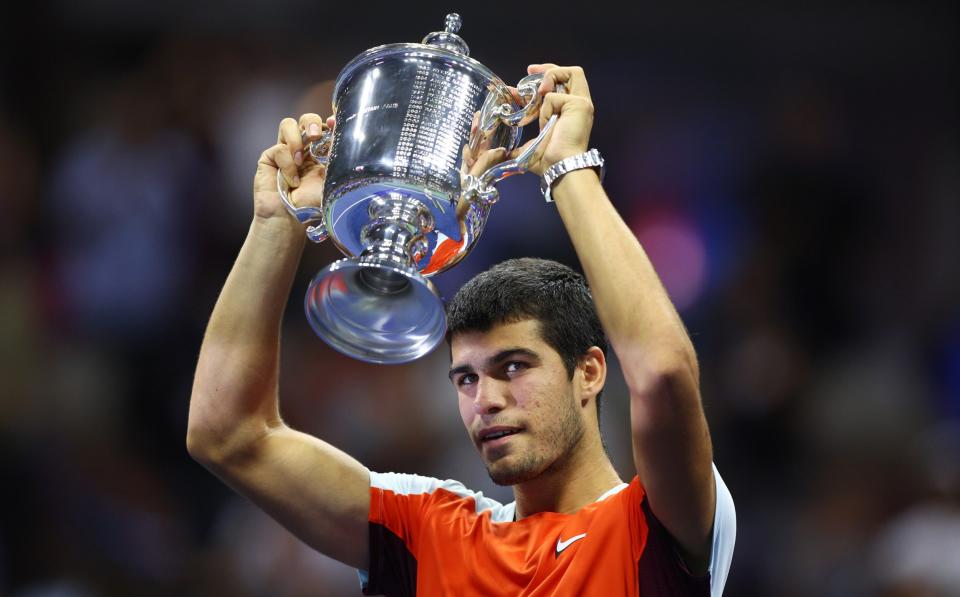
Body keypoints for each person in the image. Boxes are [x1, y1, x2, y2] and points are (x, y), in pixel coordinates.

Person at [187, 63, 736, 595]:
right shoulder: (427, 534)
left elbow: (663, 372)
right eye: (465, 379)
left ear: (589, 372)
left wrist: (567, 167)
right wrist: (276, 223)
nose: (486, 401)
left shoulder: (653, 523)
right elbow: (227, 435)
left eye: (514, 366)